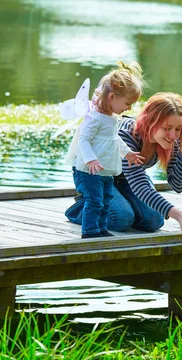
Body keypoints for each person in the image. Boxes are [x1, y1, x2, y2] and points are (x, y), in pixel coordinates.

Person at [65, 92, 182, 235]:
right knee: (121, 218)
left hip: (125, 181)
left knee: (154, 220)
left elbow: (178, 185)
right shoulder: (126, 133)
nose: (173, 135)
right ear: (150, 122)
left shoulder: (170, 139)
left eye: (177, 129)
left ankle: (120, 207)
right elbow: (139, 185)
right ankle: (83, 207)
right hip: (98, 177)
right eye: (166, 128)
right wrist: (179, 215)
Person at [66, 61, 145, 239]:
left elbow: (114, 139)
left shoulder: (110, 117)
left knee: (106, 199)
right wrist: (90, 160)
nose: (130, 108)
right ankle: (90, 231)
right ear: (111, 97)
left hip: (104, 169)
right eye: (127, 103)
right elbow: (84, 140)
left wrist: (127, 153)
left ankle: (101, 228)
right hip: (88, 170)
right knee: (95, 200)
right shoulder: (94, 117)